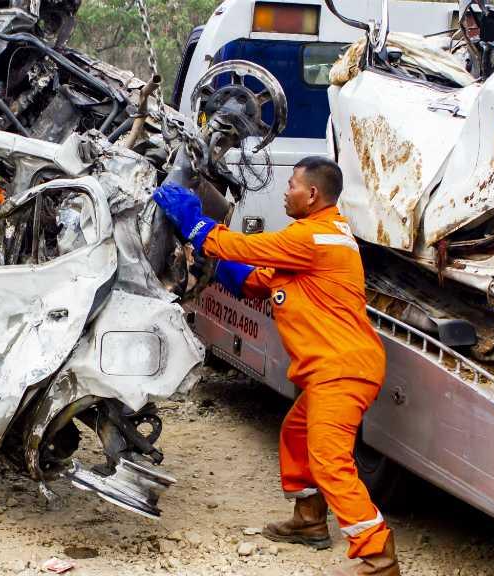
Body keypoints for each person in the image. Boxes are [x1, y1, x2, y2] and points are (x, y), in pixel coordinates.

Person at [153, 157, 397, 576]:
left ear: (313, 195)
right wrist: (215, 261)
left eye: (292, 185)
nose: (285, 192)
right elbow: (254, 279)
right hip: (334, 369)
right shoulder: (317, 241)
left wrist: (195, 220)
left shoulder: (312, 238)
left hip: (342, 369)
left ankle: (378, 556)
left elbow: (239, 247)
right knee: (297, 432)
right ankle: (309, 520)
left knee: (329, 459)